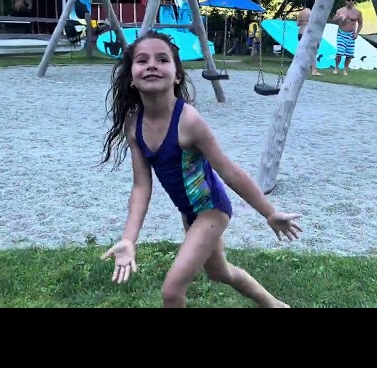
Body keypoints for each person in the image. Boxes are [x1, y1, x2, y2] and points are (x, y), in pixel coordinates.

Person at [99, 30, 303, 308]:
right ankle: (275, 305)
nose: (151, 65)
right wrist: (128, 239)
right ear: (132, 77)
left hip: (212, 209)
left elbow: (228, 170)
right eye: (142, 60)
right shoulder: (134, 124)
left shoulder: (188, 121)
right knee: (220, 272)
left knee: (172, 290)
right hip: (190, 213)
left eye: (162, 59)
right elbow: (141, 187)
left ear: (177, 75)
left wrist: (269, 212)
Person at [332, 0, 363, 75]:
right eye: (349, 0)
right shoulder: (340, 11)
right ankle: (336, 67)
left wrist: (356, 33)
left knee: (349, 54)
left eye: (352, 0)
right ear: (346, 1)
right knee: (340, 52)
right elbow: (334, 20)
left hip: (351, 34)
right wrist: (340, 18)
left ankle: (345, 69)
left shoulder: (357, 12)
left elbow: (360, 24)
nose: (351, 2)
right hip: (342, 33)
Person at [297, 0, 322, 76]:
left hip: (300, 33)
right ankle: (314, 70)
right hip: (308, 34)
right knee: (313, 52)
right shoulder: (312, 13)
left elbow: (297, 24)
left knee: (303, 52)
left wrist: (303, 22)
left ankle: (301, 68)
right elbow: (315, 25)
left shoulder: (301, 13)